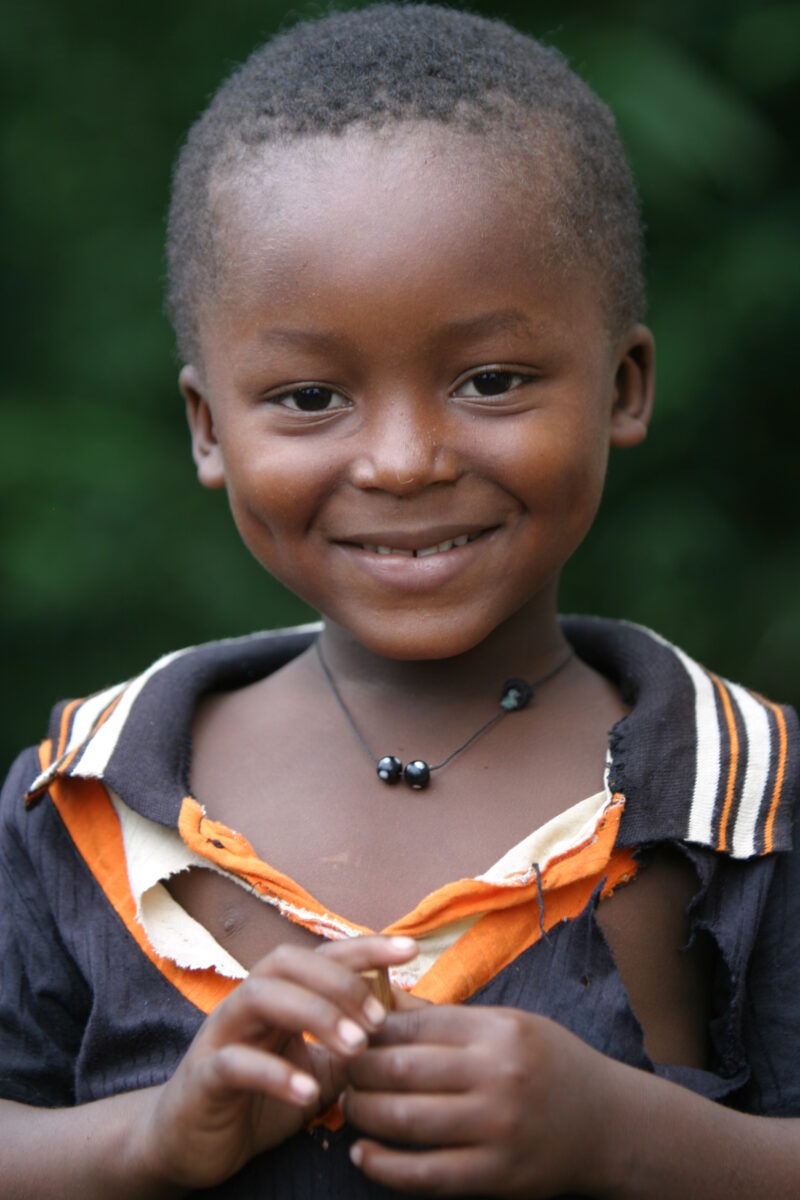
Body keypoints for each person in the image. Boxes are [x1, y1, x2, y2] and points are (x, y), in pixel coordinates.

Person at [1, 5, 798, 1197]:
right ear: (208, 429)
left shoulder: (744, 801)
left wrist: (621, 1139)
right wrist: (152, 1139)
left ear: (622, 387)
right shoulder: (84, 802)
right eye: (310, 397)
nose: (404, 459)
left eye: (489, 379)